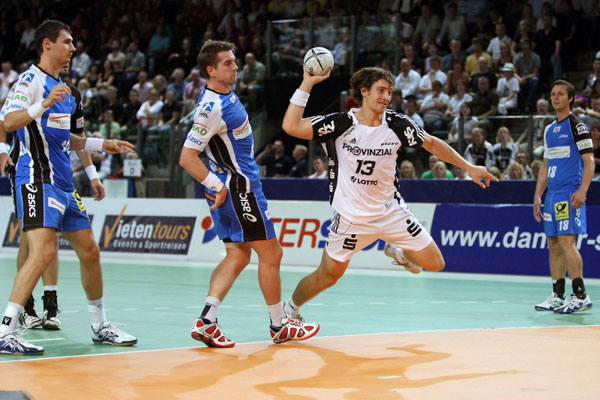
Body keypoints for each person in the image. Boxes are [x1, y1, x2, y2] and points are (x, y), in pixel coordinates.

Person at [280, 66, 497, 320]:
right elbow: (291, 126)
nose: (386, 97)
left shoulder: (397, 124)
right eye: (381, 90)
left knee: (435, 263)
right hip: (351, 218)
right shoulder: (340, 124)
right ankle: (290, 310)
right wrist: (307, 83)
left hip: (390, 212)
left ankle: (398, 252)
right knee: (327, 276)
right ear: (364, 91)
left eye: (390, 92)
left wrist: (469, 167)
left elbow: (431, 143)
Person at [0, 19, 137, 356]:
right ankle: (6, 328)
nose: (73, 48)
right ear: (47, 44)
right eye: (67, 42)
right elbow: (9, 121)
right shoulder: (29, 81)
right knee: (43, 251)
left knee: (90, 251)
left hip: (64, 184)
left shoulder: (67, 91)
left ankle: (100, 326)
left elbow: (68, 138)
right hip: (36, 179)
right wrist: (43, 103)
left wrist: (103, 145)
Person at [178, 40, 319, 348]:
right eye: (228, 63)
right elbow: (187, 157)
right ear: (211, 70)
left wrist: (217, 185)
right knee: (272, 254)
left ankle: (206, 322)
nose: (236, 66)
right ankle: (279, 325)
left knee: (239, 254)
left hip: (229, 188)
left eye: (235, 60)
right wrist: (216, 185)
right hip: (239, 190)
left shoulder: (222, 97)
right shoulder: (212, 108)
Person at [533, 79, 595, 314]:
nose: (555, 97)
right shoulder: (549, 129)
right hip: (552, 195)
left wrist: (582, 191)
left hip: (569, 193)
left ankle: (580, 295)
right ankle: (557, 295)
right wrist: (538, 196)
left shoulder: (577, 126)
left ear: (570, 98)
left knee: (567, 242)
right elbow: (545, 165)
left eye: (560, 94)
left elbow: (589, 161)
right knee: (553, 243)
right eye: (553, 94)